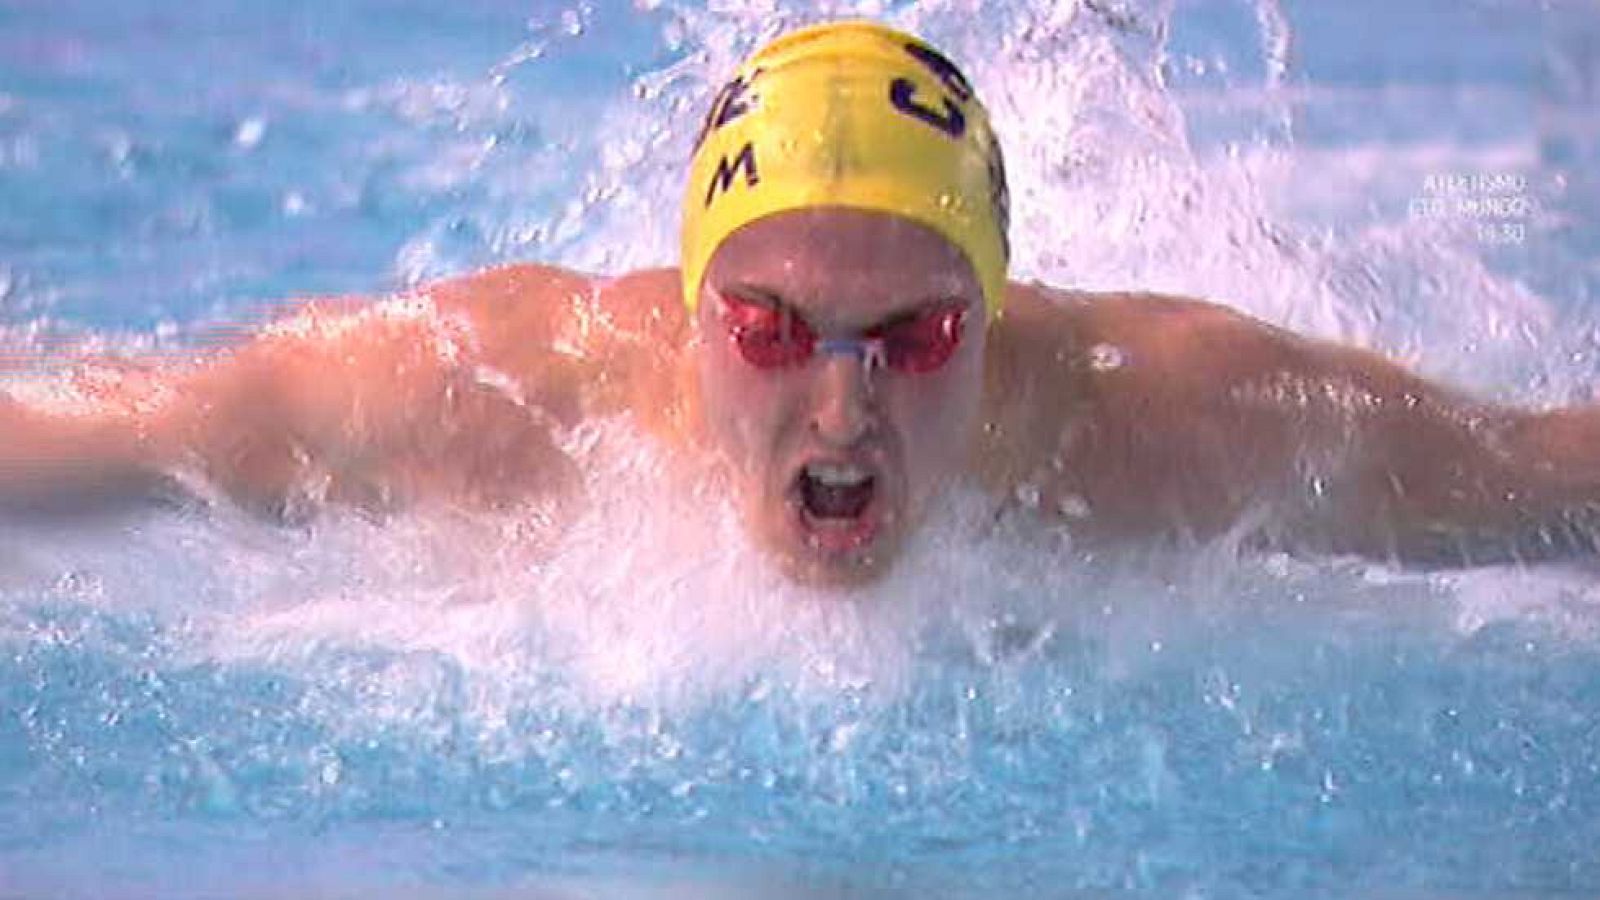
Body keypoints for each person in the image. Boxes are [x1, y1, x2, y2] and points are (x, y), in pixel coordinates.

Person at [3, 20, 1599, 587]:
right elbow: (131, 428)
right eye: (769, 329)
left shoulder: (1168, 425)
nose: (843, 409)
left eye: (914, 340)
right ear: (691, 313)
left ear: (997, 308)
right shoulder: (503, 398)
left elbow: (1543, 473)